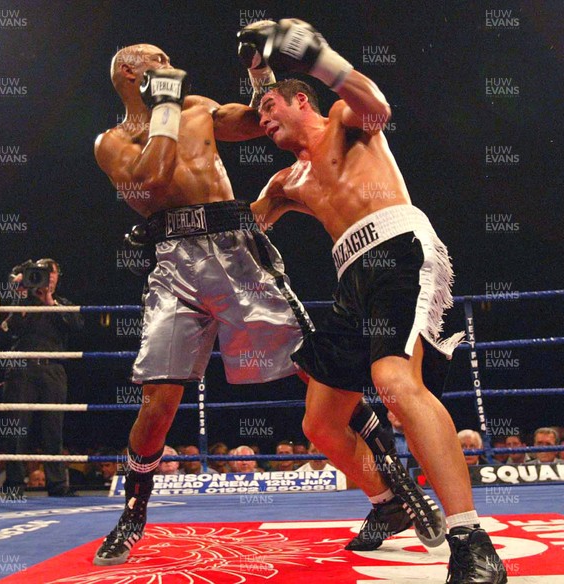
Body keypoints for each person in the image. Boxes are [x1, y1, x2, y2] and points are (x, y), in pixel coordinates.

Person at [240, 18, 506, 581]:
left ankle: (469, 538)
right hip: (350, 281)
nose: (261, 124)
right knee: (320, 423)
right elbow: (246, 227)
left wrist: (316, 57)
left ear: (300, 101)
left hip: (397, 248)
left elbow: (374, 102)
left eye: (269, 112)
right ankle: (390, 502)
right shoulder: (286, 182)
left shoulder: (343, 121)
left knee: (394, 382)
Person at [92, 43, 312, 566]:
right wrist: (164, 103)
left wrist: (261, 70)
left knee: (314, 365)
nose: (169, 61)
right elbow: (153, 179)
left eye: (172, 56)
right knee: (158, 400)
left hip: (235, 250)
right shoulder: (112, 142)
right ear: (129, 71)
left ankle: (392, 491)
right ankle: (133, 513)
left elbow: (260, 122)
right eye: (156, 57)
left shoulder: (198, 109)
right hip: (174, 262)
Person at [1, 258, 84, 498]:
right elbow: (11, 328)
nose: (46, 275)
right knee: (16, 429)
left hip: (52, 370)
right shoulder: (22, 299)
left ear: (57, 276)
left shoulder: (63, 304)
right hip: (21, 369)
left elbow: (76, 326)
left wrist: (48, 301)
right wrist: (21, 294)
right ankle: (14, 486)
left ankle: (58, 486)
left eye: (51, 271)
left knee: (53, 429)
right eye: (42, 271)